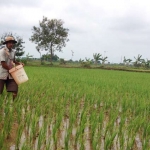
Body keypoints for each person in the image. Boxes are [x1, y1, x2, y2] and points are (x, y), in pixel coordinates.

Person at [0, 36, 24, 100]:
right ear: (6, 43)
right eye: (10, 43)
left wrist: (19, 63)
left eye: (12, 43)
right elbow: (3, 64)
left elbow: (13, 60)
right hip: (2, 74)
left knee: (14, 89)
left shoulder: (13, 51)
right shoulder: (2, 51)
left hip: (10, 74)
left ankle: (15, 103)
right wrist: (11, 70)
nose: (11, 44)